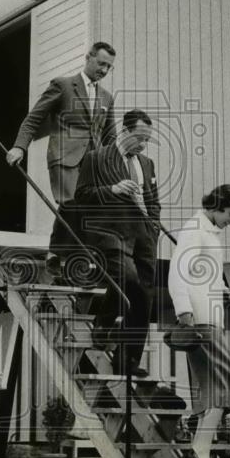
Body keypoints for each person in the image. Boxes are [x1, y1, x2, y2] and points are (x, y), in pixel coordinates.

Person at [6, 42, 117, 279]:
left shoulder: (107, 97)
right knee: (72, 202)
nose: (104, 71)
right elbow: (34, 118)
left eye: (109, 67)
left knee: (90, 208)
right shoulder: (63, 85)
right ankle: (72, 256)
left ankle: (61, 255)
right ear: (88, 58)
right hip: (65, 157)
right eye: (101, 64)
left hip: (93, 162)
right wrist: (19, 146)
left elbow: (110, 137)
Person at [167, 184, 230, 458]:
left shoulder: (209, 231)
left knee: (216, 388)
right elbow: (178, 272)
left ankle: (199, 449)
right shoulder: (194, 229)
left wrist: (223, 289)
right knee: (229, 385)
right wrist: (183, 312)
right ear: (217, 206)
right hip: (200, 322)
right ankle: (199, 448)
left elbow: (204, 275)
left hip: (211, 316)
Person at [75, 108, 159, 378]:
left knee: (145, 295)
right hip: (111, 233)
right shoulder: (96, 158)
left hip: (143, 233)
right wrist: (112, 189)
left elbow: (153, 200)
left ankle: (128, 359)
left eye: (147, 139)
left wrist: (153, 226)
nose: (143, 144)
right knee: (128, 279)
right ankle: (103, 322)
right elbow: (82, 195)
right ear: (124, 132)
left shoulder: (147, 164)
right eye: (139, 138)